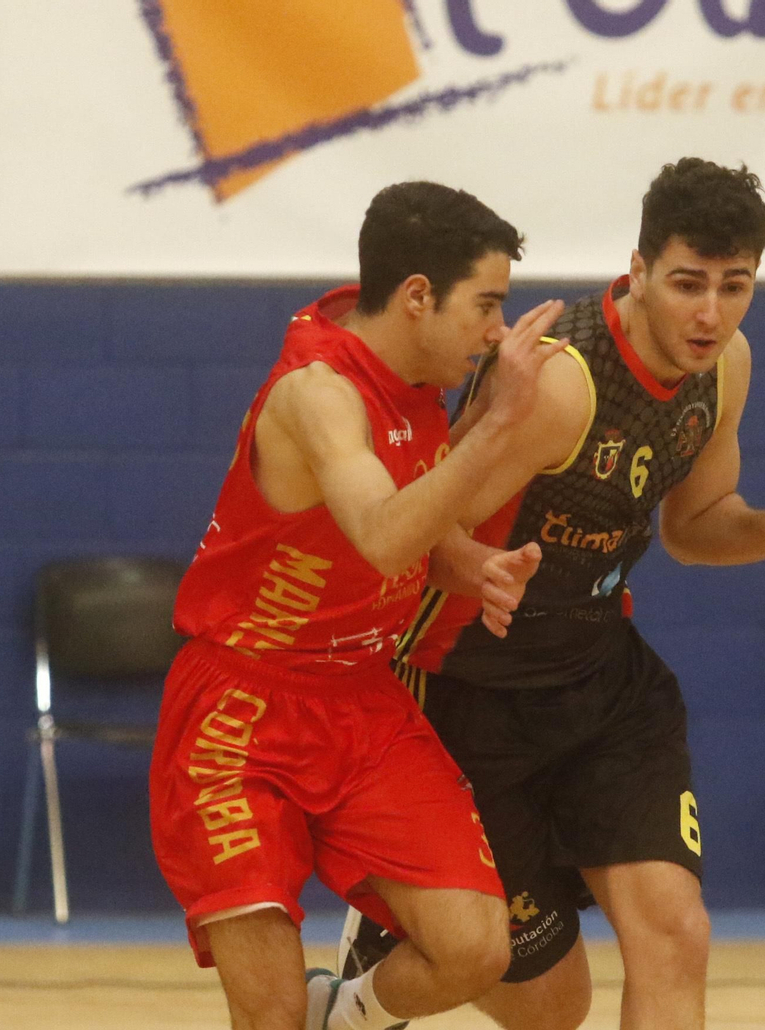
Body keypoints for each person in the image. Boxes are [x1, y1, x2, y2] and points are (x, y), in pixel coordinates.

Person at [336, 158, 765, 1030]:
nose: (709, 314)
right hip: (473, 692)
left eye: (734, 286)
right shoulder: (560, 385)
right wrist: (471, 566)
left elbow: (695, 524)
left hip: (603, 684)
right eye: (686, 284)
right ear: (638, 272)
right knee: (552, 1008)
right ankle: (386, 939)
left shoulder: (725, 369)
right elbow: (415, 518)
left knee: (676, 934)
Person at [149, 180, 566, 1030]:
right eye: (486, 303)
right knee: (268, 1020)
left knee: (478, 948)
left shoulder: (413, 380)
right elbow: (380, 533)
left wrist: (471, 564)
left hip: (361, 704)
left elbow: (405, 529)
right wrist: (500, 424)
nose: (496, 329)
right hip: (243, 706)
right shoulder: (318, 393)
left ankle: (345, 1018)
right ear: (418, 296)